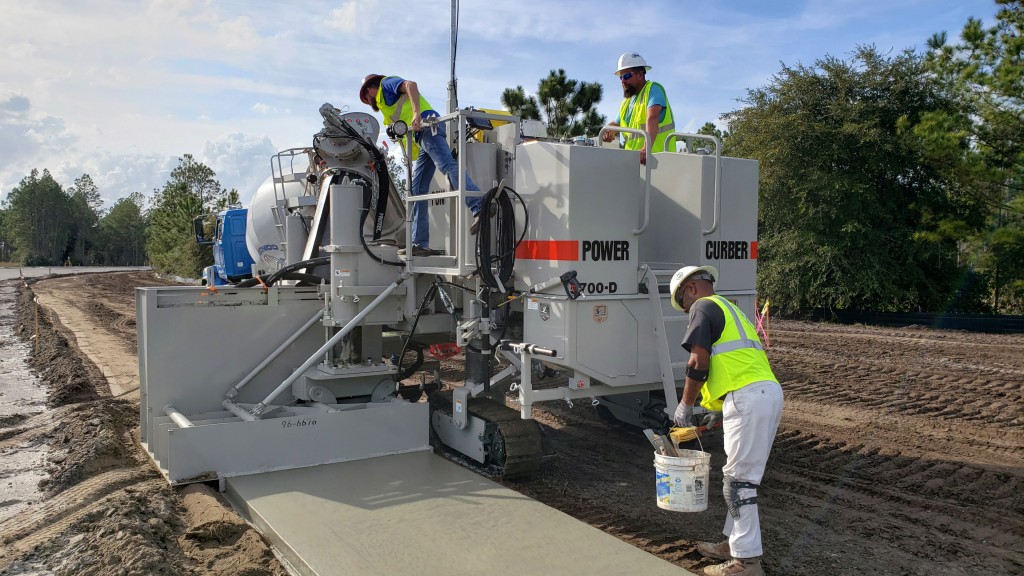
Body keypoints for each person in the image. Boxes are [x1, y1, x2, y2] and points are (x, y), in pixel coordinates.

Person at [668, 265, 783, 576]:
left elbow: (697, 360)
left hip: (748, 398)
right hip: (764, 392)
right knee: (739, 475)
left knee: (738, 483)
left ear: (691, 289)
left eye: (683, 303)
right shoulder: (730, 309)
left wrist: (685, 404)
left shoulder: (703, 306)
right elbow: (735, 362)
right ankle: (734, 544)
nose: (686, 310)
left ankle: (746, 564)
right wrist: (718, 403)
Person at [359, 74, 484, 257]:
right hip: (421, 136)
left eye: (367, 98)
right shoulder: (386, 101)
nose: (369, 102)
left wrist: (417, 113)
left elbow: (411, 85)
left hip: (427, 127)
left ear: (370, 90)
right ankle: (420, 243)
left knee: (447, 166)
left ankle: (479, 206)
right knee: (417, 190)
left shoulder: (386, 84)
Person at [601, 52, 676, 165]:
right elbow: (616, 124)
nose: (623, 81)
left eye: (626, 76)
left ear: (640, 75)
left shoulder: (653, 90)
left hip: (659, 163)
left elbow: (652, 117)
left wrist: (646, 149)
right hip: (634, 164)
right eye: (621, 77)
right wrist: (608, 131)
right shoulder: (626, 103)